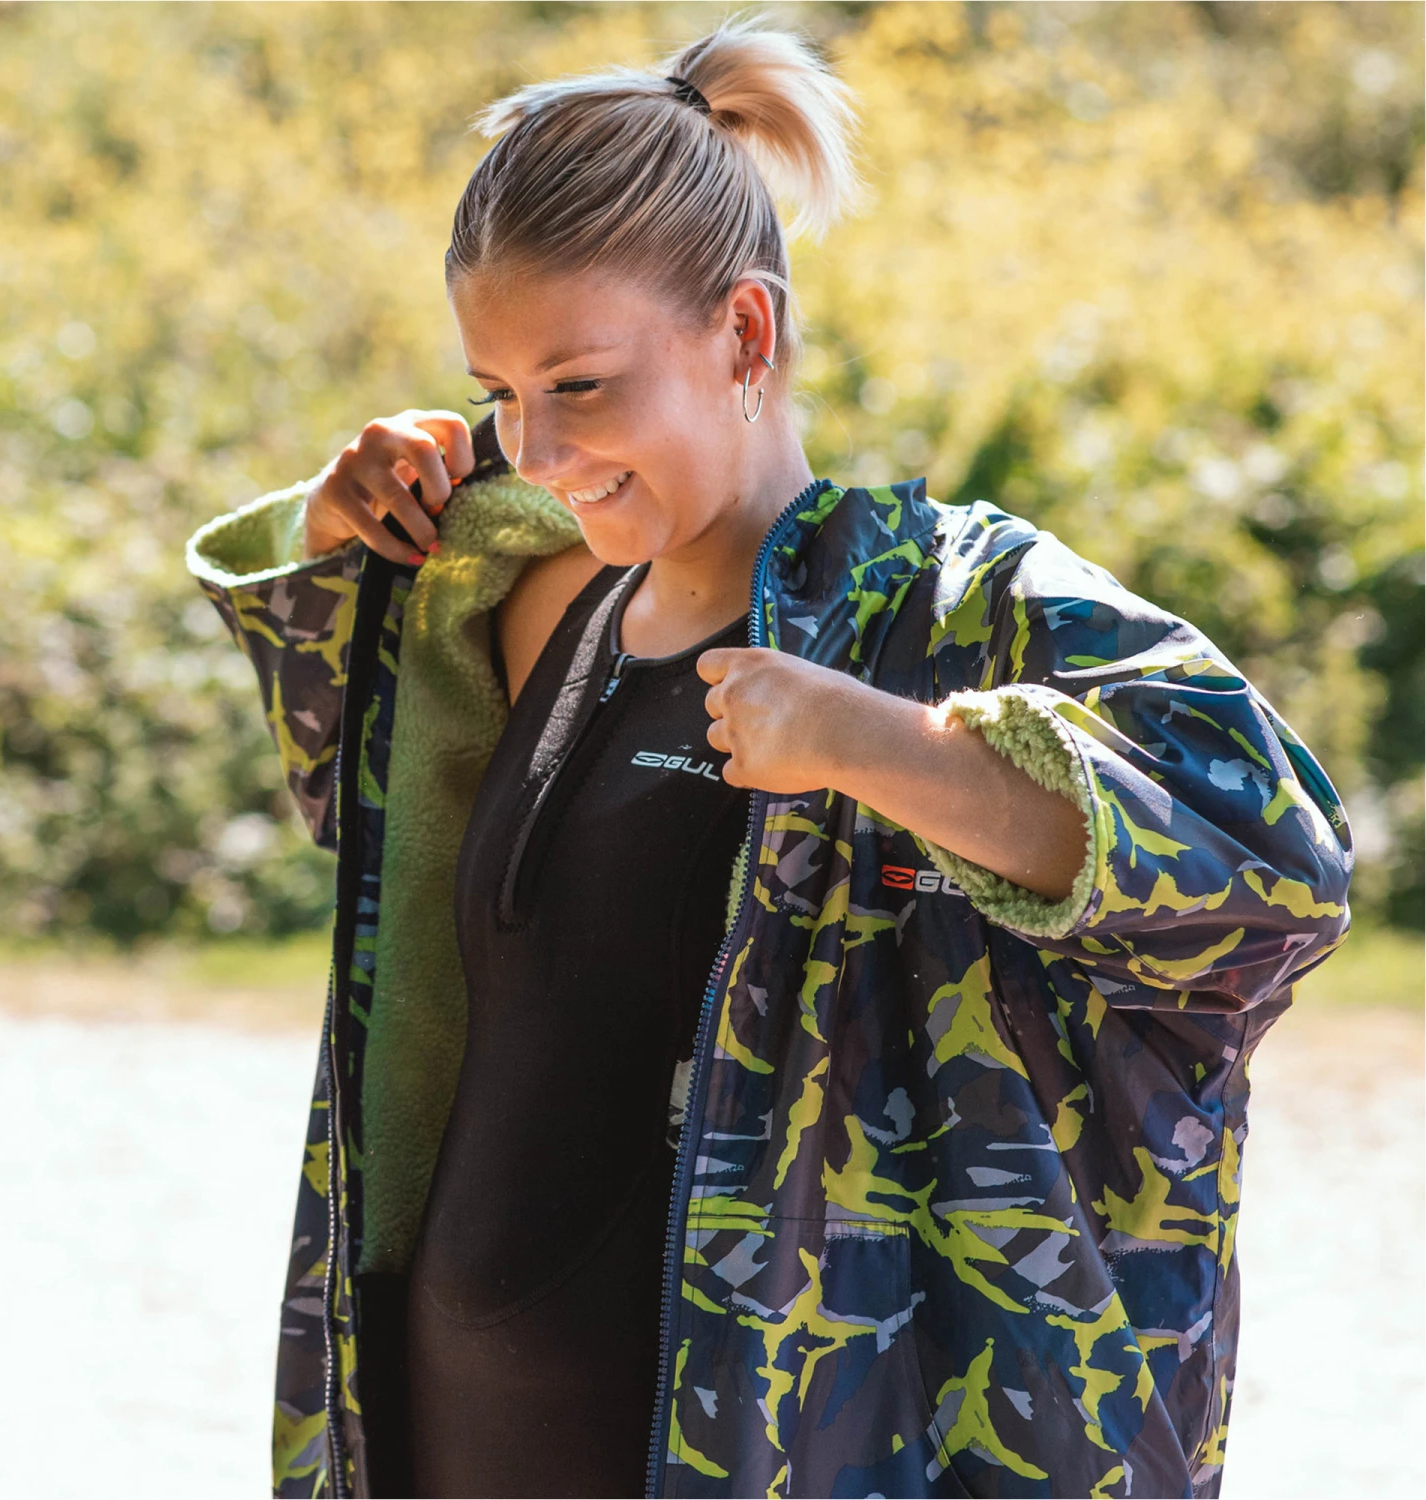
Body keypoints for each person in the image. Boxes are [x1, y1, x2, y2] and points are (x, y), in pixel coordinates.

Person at [186, 19, 1351, 1500]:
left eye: (580, 384)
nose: (533, 448)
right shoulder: (521, 592)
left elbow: (1275, 875)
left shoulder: (951, 607)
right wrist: (342, 530)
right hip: (434, 1446)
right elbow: (353, 801)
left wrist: (877, 743)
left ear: (745, 336)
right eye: (497, 390)